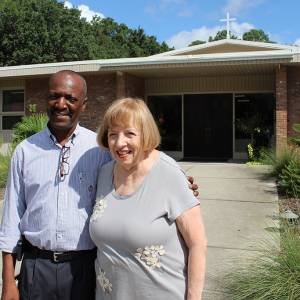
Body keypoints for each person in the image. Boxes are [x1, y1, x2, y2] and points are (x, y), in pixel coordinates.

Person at [0, 71, 199, 300]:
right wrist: (8, 282)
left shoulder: (101, 151)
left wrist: (180, 181)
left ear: (83, 105)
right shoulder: (25, 152)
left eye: (71, 98)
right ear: (47, 99)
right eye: (55, 96)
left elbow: (139, 165)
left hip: (86, 269)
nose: (61, 104)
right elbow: (11, 221)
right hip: (37, 269)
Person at [90, 98, 207, 300]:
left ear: (145, 135)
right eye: (112, 135)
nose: (119, 143)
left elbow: (198, 243)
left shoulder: (168, 174)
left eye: (129, 134)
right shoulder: (104, 174)